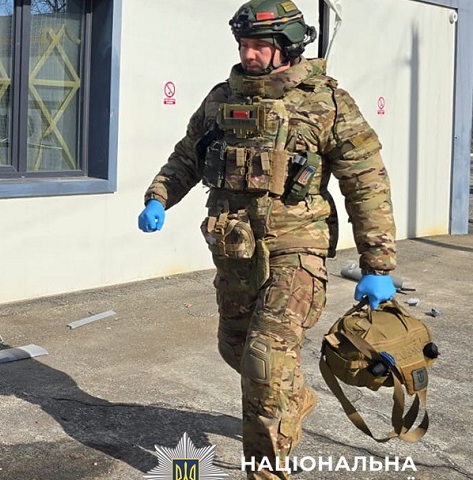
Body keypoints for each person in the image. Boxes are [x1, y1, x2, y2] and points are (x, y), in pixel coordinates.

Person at [137, 0, 397, 478]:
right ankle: (293, 398)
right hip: (235, 250)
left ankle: (266, 469)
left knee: (264, 362)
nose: (248, 54)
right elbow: (188, 156)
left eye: (259, 45)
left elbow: (366, 182)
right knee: (235, 348)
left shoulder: (326, 102)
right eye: (243, 44)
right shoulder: (222, 98)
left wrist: (378, 264)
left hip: (296, 252)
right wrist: (159, 196)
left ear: (288, 46)